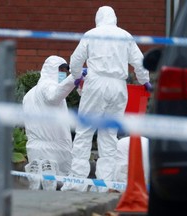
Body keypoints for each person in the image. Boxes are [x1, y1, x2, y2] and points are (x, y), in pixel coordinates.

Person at [61, 6, 151, 192]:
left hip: (96, 84)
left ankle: (76, 182)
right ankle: (104, 185)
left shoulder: (91, 34)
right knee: (109, 135)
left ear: (98, 18)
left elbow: (76, 59)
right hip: (119, 86)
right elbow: (139, 62)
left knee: (85, 131)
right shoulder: (125, 36)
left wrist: (77, 77)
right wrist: (145, 81)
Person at [22, 55, 77, 190]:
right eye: (62, 70)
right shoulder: (49, 87)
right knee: (62, 181)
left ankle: (37, 174)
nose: (64, 74)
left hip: (34, 147)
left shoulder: (29, 94)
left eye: (66, 71)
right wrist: (74, 77)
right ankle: (49, 174)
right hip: (55, 148)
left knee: (40, 186)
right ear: (52, 70)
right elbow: (53, 96)